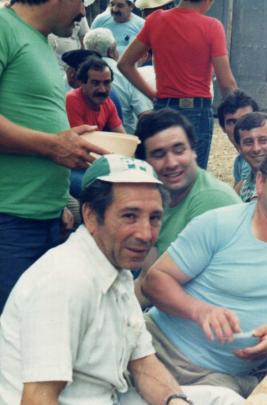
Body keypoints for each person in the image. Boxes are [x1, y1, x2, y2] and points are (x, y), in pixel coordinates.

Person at [0, 155, 244, 405]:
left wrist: (178, 404)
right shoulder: (64, 279)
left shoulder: (116, 268)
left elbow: (143, 364)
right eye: (129, 216)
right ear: (91, 215)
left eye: (154, 218)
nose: (145, 233)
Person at [141, 140, 267, 398]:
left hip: (228, 376)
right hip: (162, 352)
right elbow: (154, 281)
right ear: (260, 182)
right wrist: (201, 311)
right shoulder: (219, 224)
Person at [0, 0, 106, 312]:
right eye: (81, 1)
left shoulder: (38, 41)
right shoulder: (4, 28)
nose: (83, 12)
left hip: (43, 218)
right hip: (10, 219)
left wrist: (56, 204)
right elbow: (49, 141)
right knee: (11, 332)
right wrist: (53, 146)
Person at [133, 108, 241, 306]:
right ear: (145, 163)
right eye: (158, 154)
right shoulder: (161, 196)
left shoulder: (210, 200)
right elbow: (146, 279)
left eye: (179, 150)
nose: (171, 163)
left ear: (194, 151)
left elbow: (159, 288)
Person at [118, 0, 238, 170]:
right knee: (193, 176)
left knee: (163, 170)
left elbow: (124, 64)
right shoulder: (212, 26)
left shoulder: (155, 20)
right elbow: (226, 84)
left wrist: (153, 95)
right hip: (197, 109)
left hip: (163, 107)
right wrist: (239, 114)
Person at [84, 27, 153, 133]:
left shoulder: (74, 75)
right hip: (125, 138)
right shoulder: (128, 74)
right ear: (111, 51)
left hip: (86, 137)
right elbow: (145, 114)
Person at [65, 56, 124, 133]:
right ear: (82, 83)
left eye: (106, 83)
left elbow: (122, 135)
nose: (102, 89)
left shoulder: (107, 103)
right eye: (95, 83)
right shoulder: (72, 100)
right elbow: (79, 138)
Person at [216, 89, 259, 192]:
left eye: (246, 119)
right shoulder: (239, 162)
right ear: (223, 127)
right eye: (232, 122)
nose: (239, 127)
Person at [233, 112, 267, 202]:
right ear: (239, 148)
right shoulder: (243, 185)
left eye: (263, 140)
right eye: (248, 142)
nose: (256, 148)